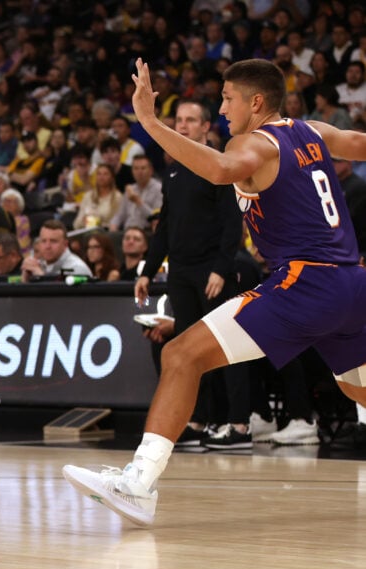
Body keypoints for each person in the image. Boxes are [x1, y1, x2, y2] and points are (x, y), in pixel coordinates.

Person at [64, 58, 366, 527]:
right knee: (358, 391)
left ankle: (138, 484)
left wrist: (150, 123)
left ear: (256, 102)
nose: (221, 108)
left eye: (227, 98)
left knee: (182, 356)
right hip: (353, 283)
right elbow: (361, 144)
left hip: (306, 282)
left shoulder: (257, 144)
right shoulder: (312, 131)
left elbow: (224, 169)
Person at [138, 99, 250, 450]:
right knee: (185, 350)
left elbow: (234, 222)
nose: (182, 126)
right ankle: (198, 421)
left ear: (205, 128)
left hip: (211, 270)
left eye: (190, 120)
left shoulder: (219, 164)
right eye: (178, 120)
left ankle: (239, 425)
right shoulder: (173, 168)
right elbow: (166, 226)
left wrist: (221, 267)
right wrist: (148, 269)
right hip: (182, 273)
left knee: (228, 348)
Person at [21, 219, 91, 281]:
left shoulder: (77, 268)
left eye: (53, 241)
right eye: (43, 241)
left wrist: (40, 276)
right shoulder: (40, 264)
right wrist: (25, 279)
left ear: (65, 244)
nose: (47, 246)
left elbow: (60, 295)